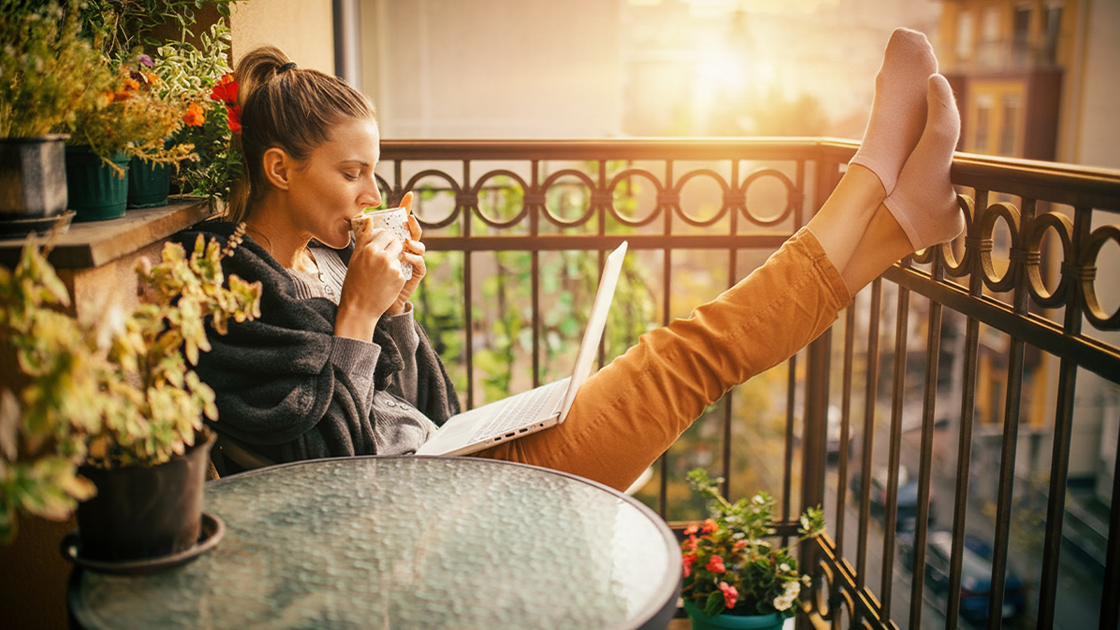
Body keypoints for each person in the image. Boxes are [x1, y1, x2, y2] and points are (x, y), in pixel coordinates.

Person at [183, 29, 963, 492]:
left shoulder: (320, 265)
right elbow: (329, 469)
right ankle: (867, 179)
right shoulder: (235, 287)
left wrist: (395, 311)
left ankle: (898, 224)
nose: (370, 193)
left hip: (458, 461)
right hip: (437, 502)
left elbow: (414, 401)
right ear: (282, 170)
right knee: (690, 355)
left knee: (682, 355)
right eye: (350, 174)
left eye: (373, 171)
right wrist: (360, 312)